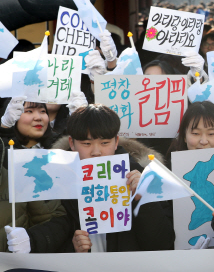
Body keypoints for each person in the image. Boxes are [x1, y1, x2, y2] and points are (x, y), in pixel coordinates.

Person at [53, 104, 175, 252]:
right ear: (72, 143)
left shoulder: (142, 177)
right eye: (86, 144)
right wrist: (73, 248)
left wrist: (143, 199)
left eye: (105, 143)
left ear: (116, 142)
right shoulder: (58, 182)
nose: (96, 152)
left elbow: (164, 243)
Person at [1, 98, 71, 253]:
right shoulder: (5, 156)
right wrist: (3, 129)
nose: (38, 117)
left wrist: (33, 240)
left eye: (43, 111)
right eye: (29, 111)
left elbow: (56, 218)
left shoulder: (60, 156)